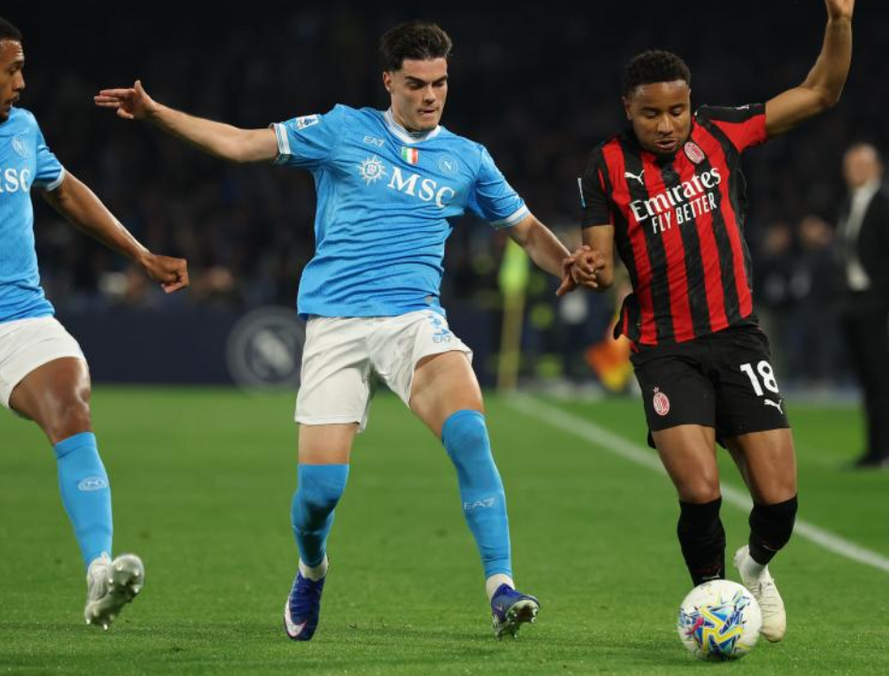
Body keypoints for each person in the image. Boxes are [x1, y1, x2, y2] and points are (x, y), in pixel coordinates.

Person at [97, 21, 594, 640]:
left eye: (440, 83)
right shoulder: (341, 129)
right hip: (336, 323)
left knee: (469, 432)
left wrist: (565, 262)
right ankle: (312, 570)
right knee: (320, 495)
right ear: (388, 81)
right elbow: (240, 144)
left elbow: (525, 229)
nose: (430, 96)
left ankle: (501, 586)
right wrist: (155, 113)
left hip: (413, 319)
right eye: (415, 84)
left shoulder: (468, 159)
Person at [567, 0, 854, 643]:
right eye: (651, 113)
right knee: (700, 490)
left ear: (691, 103)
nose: (667, 125)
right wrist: (587, 267)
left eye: (677, 110)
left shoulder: (722, 133)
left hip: (737, 337)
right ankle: (711, 604)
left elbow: (820, 92)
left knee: (779, 501)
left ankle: (754, 567)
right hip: (663, 347)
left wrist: (839, 21)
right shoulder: (605, 167)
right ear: (628, 108)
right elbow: (602, 265)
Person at [0, 16, 189, 629]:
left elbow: (64, 192)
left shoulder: (22, 130)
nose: (22, 82)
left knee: (71, 409)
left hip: (18, 317)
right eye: (11, 70)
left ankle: (100, 572)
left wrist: (141, 255)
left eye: (22, 68)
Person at [835, 143, 889, 470]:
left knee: (881, 375)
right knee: (866, 375)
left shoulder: (886, 202)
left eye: (862, 165)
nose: (855, 171)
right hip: (853, 299)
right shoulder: (849, 202)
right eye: (851, 165)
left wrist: (882, 291)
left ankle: (886, 449)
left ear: (877, 168)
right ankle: (873, 448)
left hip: (875, 300)